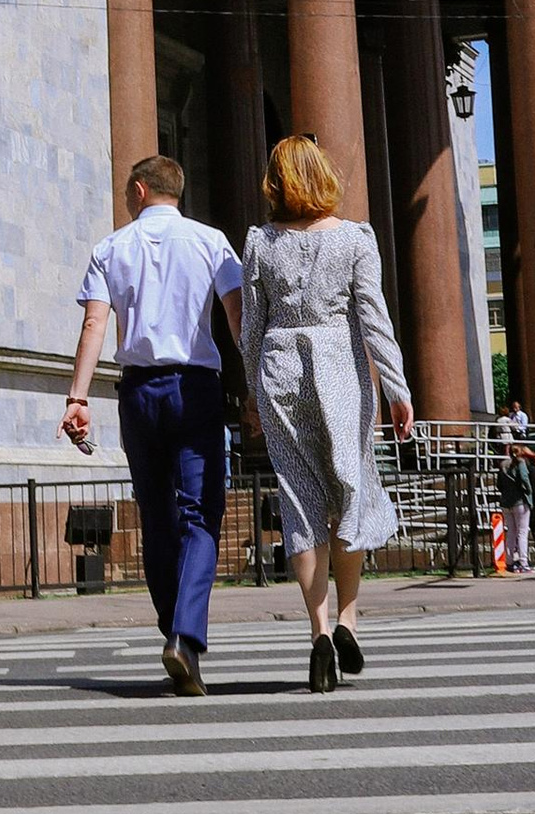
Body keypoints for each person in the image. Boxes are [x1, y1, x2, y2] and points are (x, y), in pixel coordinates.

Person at [239, 133, 416, 691]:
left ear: (277, 182)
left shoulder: (260, 243)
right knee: (350, 491)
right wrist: (397, 388)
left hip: (280, 371)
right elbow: (375, 320)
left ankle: (317, 633)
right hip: (340, 368)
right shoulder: (355, 240)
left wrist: (253, 393)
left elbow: (250, 331)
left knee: (300, 503)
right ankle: (348, 618)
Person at [62, 153, 242, 695]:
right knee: (200, 513)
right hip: (196, 389)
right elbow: (237, 317)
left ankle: (172, 631)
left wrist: (78, 397)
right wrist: (256, 386)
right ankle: (185, 638)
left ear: (139, 191)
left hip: (137, 391)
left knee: (157, 517)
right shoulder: (212, 242)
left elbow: (95, 321)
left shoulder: (110, 248)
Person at [494, 431, 535, 577]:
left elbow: (499, 485)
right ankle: (523, 562)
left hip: (506, 502)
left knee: (511, 532)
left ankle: (509, 562)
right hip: (520, 502)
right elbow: (525, 481)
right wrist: (527, 494)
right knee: (522, 532)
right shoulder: (520, 463)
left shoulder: (502, 465)